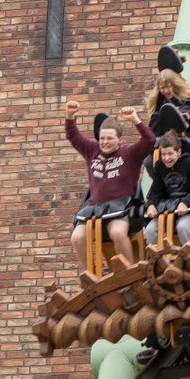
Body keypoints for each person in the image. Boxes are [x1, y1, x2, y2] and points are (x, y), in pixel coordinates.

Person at [65, 100, 155, 270]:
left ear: (120, 139)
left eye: (109, 138)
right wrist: (70, 115)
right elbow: (73, 136)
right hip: (95, 208)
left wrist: (135, 119)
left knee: (117, 233)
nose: (105, 142)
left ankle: (130, 272)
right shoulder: (92, 151)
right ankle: (93, 275)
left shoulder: (130, 153)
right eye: (102, 138)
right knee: (77, 237)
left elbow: (150, 140)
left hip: (121, 207)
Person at [143, 130, 190, 247]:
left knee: (182, 227)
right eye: (163, 154)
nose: (166, 158)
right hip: (168, 209)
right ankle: (159, 257)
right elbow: (156, 190)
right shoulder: (159, 167)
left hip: (189, 209)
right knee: (150, 229)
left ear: (178, 152)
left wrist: (186, 202)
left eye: (170, 154)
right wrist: (151, 204)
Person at [144, 69, 190, 147]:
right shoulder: (158, 103)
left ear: (175, 85)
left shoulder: (187, 98)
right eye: (162, 88)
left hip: (189, 136)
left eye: (168, 87)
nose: (166, 91)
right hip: (166, 140)